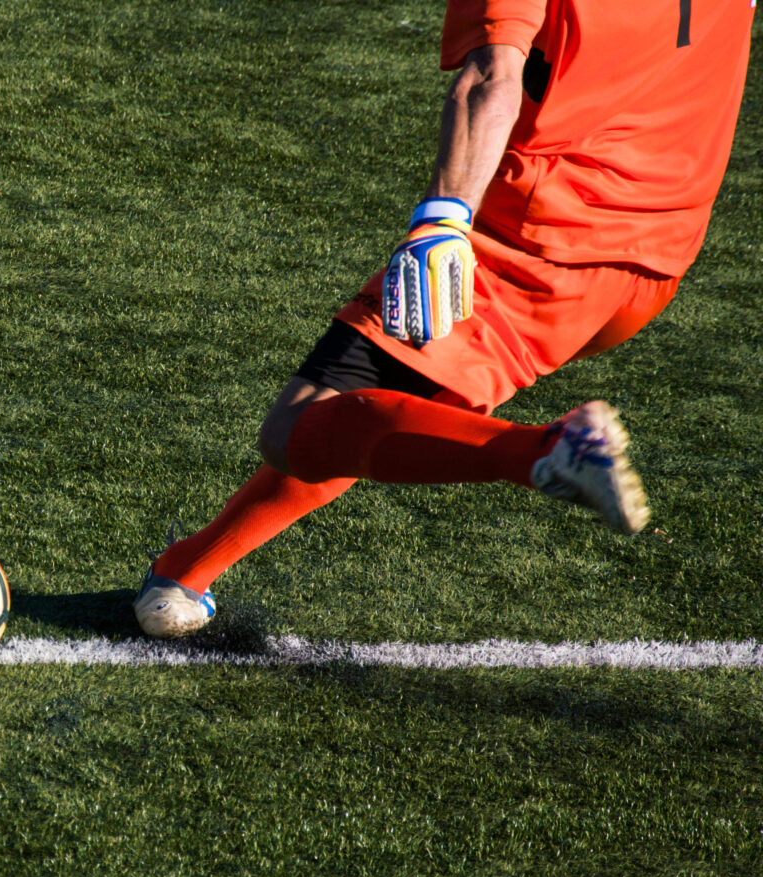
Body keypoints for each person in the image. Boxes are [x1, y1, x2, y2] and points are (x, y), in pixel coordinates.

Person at [134, 0, 756, 638]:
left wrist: (444, 216)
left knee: (293, 427)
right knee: (369, 404)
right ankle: (184, 574)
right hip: (657, 260)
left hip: (539, 239)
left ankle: (544, 451)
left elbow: (492, 76)